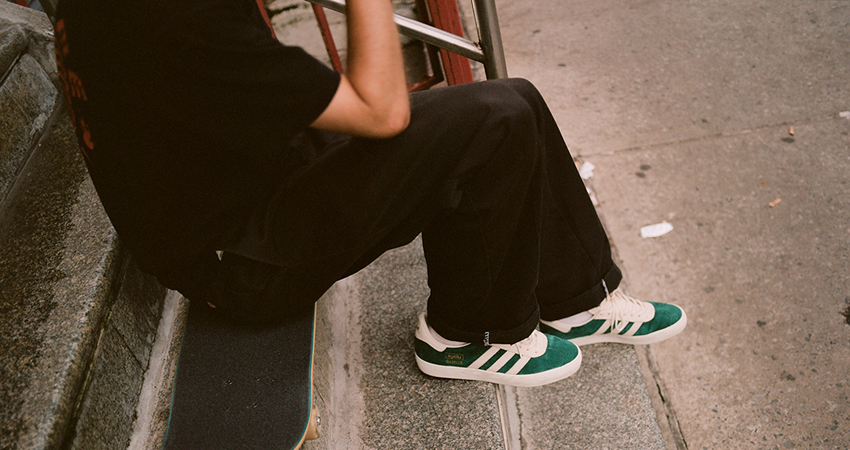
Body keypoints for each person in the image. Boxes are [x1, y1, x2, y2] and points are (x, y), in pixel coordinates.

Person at [53, 0, 685, 388]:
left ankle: (577, 295)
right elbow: (382, 111)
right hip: (242, 261)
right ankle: (470, 336)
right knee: (494, 118)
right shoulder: (176, 21)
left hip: (250, 183)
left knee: (516, 95)